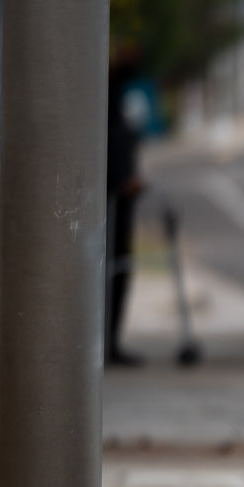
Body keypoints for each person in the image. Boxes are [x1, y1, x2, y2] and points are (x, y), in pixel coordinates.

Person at [104, 56, 146, 366]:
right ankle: (109, 343)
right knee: (113, 275)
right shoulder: (111, 114)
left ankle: (110, 342)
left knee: (116, 274)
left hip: (117, 208)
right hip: (112, 212)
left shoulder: (112, 109)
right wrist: (128, 182)